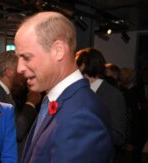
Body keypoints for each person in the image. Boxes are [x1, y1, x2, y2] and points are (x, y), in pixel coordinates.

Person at [14, 11, 113, 163]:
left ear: (58, 50)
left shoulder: (81, 117)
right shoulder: (60, 100)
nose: (19, 68)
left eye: (26, 57)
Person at [0, 51, 41, 158]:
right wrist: (31, 102)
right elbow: (17, 131)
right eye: (19, 69)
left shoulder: (4, 91)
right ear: (9, 72)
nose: (23, 73)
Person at [76, 48, 127, 163]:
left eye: (76, 66)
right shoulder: (80, 91)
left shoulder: (113, 95)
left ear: (83, 66)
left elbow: (118, 137)